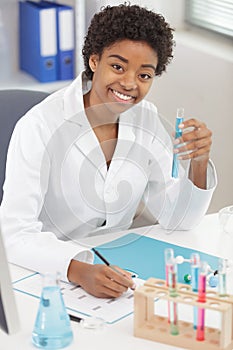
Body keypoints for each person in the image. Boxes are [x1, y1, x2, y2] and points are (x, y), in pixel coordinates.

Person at [0, 4, 216, 298]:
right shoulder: (39, 126)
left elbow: (177, 220)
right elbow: (13, 235)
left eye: (144, 75)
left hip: (120, 269)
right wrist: (77, 269)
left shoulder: (147, 120)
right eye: (118, 66)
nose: (129, 83)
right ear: (93, 61)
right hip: (47, 271)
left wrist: (198, 164)